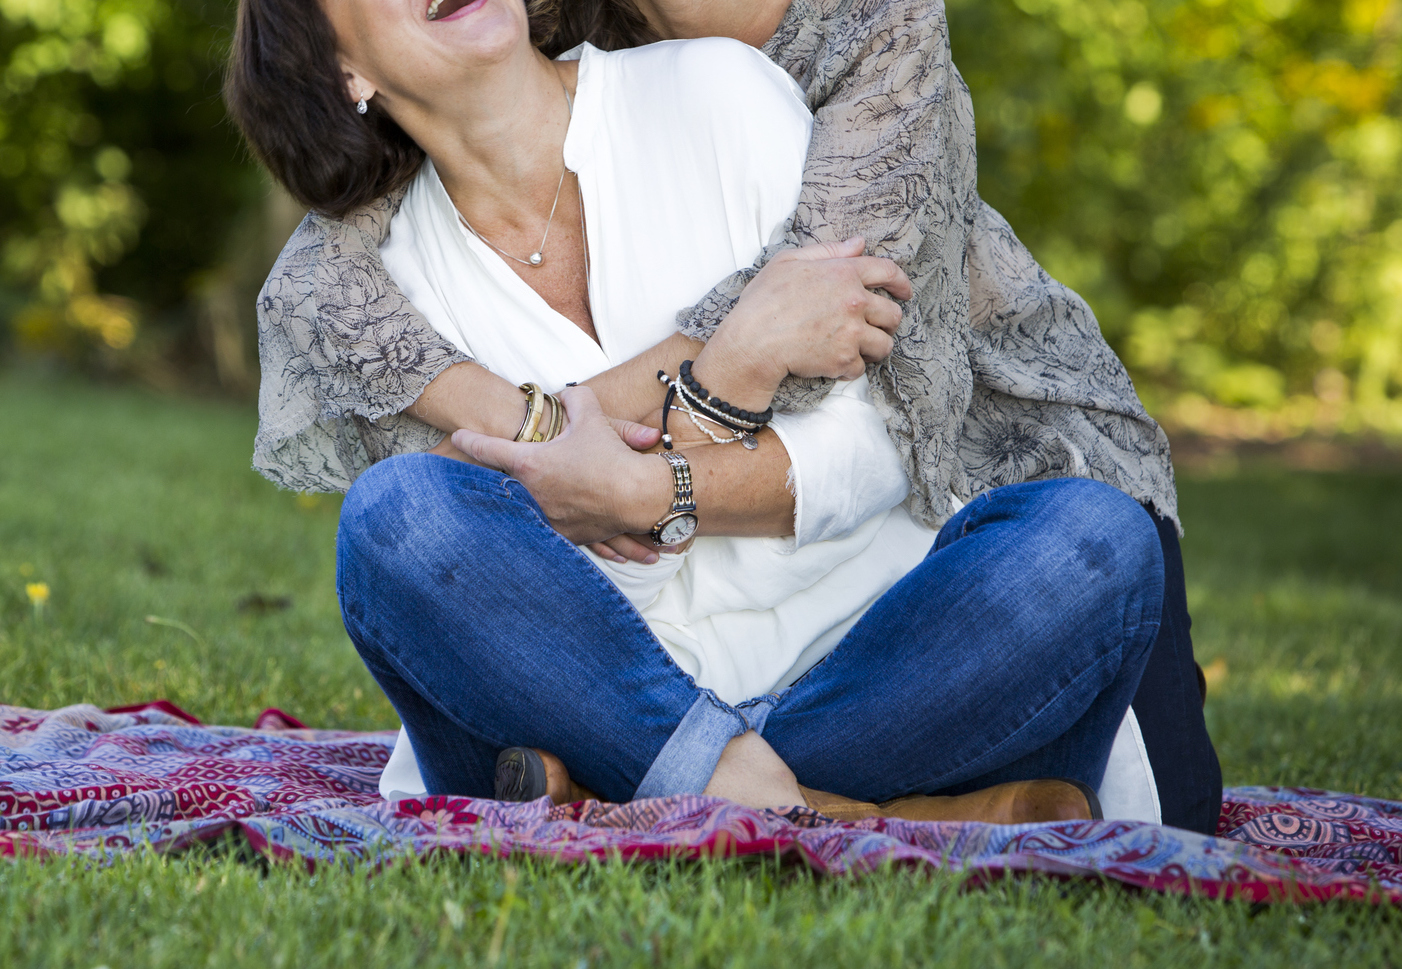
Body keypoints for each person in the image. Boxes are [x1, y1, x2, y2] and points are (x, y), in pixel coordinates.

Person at [232, 0, 1216, 829]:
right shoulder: (376, 296)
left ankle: (636, 799)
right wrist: (734, 375)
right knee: (399, 517)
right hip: (597, 687)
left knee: (1091, 540)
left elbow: (883, 440)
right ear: (338, 68)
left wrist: (657, 485)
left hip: (875, 665)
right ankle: (828, 809)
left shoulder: (714, 91)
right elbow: (515, 586)